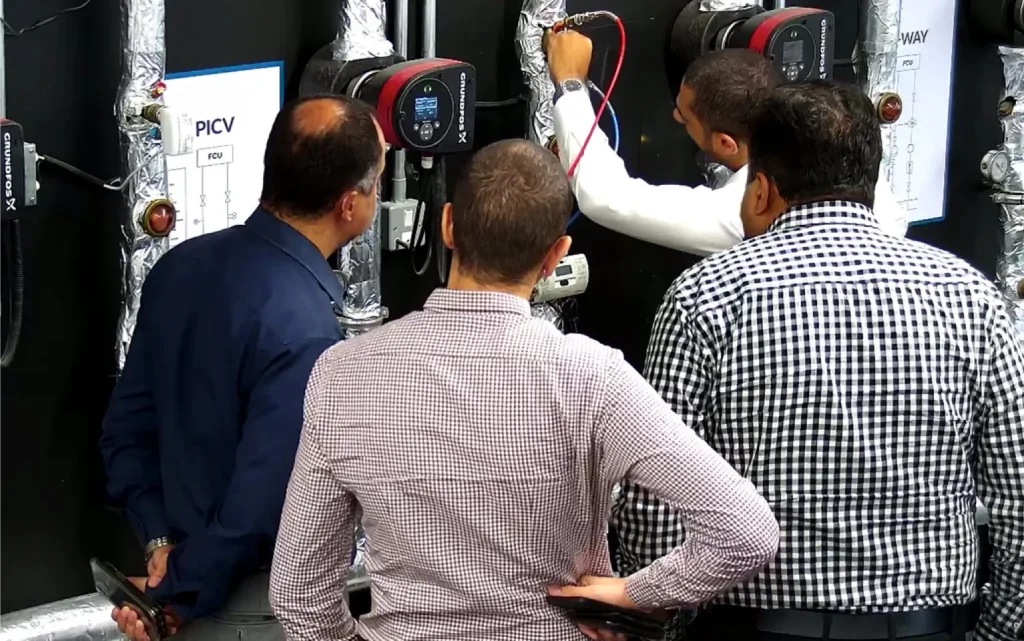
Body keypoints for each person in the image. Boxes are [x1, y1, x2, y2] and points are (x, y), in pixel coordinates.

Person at [268, 138, 780, 641]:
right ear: (557, 254)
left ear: (448, 225)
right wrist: (633, 595)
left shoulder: (343, 372)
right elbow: (745, 532)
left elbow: (297, 591)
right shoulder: (592, 377)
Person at [616, 79, 1024, 641]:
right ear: (870, 177)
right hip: (926, 627)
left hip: (749, 625)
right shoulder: (969, 296)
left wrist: (657, 620)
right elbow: (1015, 487)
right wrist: (999, 631)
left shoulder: (705, 296)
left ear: (760, 188)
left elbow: (656, 498)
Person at [99, 94, 386, 641]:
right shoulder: (307, 331)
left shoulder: (179, 267)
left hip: (181, 588)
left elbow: (124, 435)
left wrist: (159, 543)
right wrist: (177, 595)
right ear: (351, 205)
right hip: (250, 613)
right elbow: (259, 507)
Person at [544, 32, 908, 254]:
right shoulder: (854, 168)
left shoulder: (743, 212)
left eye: (685, 117)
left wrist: (571, 85)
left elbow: (608, 197)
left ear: (726, 144)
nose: (674, 117)